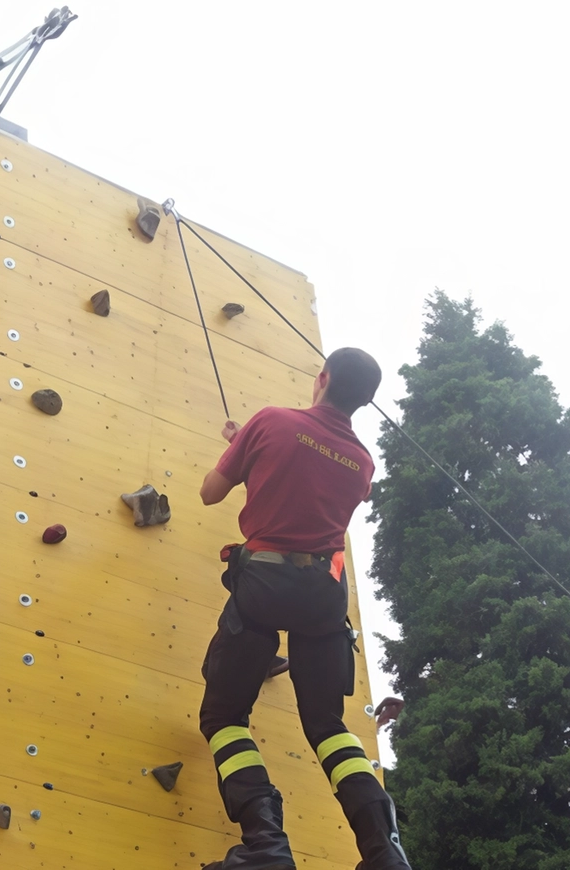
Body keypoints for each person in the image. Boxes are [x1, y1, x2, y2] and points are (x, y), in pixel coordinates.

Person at [195, 347, 411, 870]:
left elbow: (210, 494)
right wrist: (256, 453)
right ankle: (385, 853)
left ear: (323, 378)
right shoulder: (362, 462)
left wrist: (245, 450)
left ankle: (266, 845)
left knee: (224, 717)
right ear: (364, 401)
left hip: (265, 585)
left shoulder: (271, 421)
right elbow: (313, 497)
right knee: (328, 727)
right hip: (322, 595)